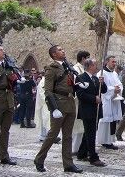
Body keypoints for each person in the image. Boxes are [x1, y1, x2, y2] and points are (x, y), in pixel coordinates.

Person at [34, 45, 82, 173]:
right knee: (53, 134)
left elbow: (70, 86)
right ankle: (39, 159)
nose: (63, 51)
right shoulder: (52, 68)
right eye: (60, 50)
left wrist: (79, 86)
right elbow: (48, 91)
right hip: (59, 104)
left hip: (70, 102)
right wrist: (54, 108)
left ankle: (68, 164)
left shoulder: (68, 67)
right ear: (54, 54)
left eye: (63, 49)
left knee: (67, 136)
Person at [76, 58, 107, 166]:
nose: (97, 66)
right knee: (91, 134)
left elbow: (103, 90)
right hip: (87, 111)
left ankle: (82, 153)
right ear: (89, 66)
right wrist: (94, 99)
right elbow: (80, 94)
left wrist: (102, 83)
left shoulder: (95, 78)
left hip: (96, 110)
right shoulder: (80, 78)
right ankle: (93, 157)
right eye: (95, 65)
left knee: (89, 133)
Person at [96, 56, 122, 150]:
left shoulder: (114, 73)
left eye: (115, 62)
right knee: (106, 120)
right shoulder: (102, 73)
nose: (114, 64)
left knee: (113, 121)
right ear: (107, 62)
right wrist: (113, 90)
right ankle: (104, 141)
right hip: (106, 100)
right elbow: (102, 88)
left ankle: (110, 140)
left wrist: (119, 89)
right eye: (113, 62)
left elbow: (119, 84)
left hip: (114, 99)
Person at [72, 50, 90, 153]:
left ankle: (80, 147)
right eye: (87, 58)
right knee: (76, 125)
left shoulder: (82, 68)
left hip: (83, 101)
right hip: (77, 101)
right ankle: (74, 148)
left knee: (82, 126)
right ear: (83, 58)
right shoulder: (75, 69)